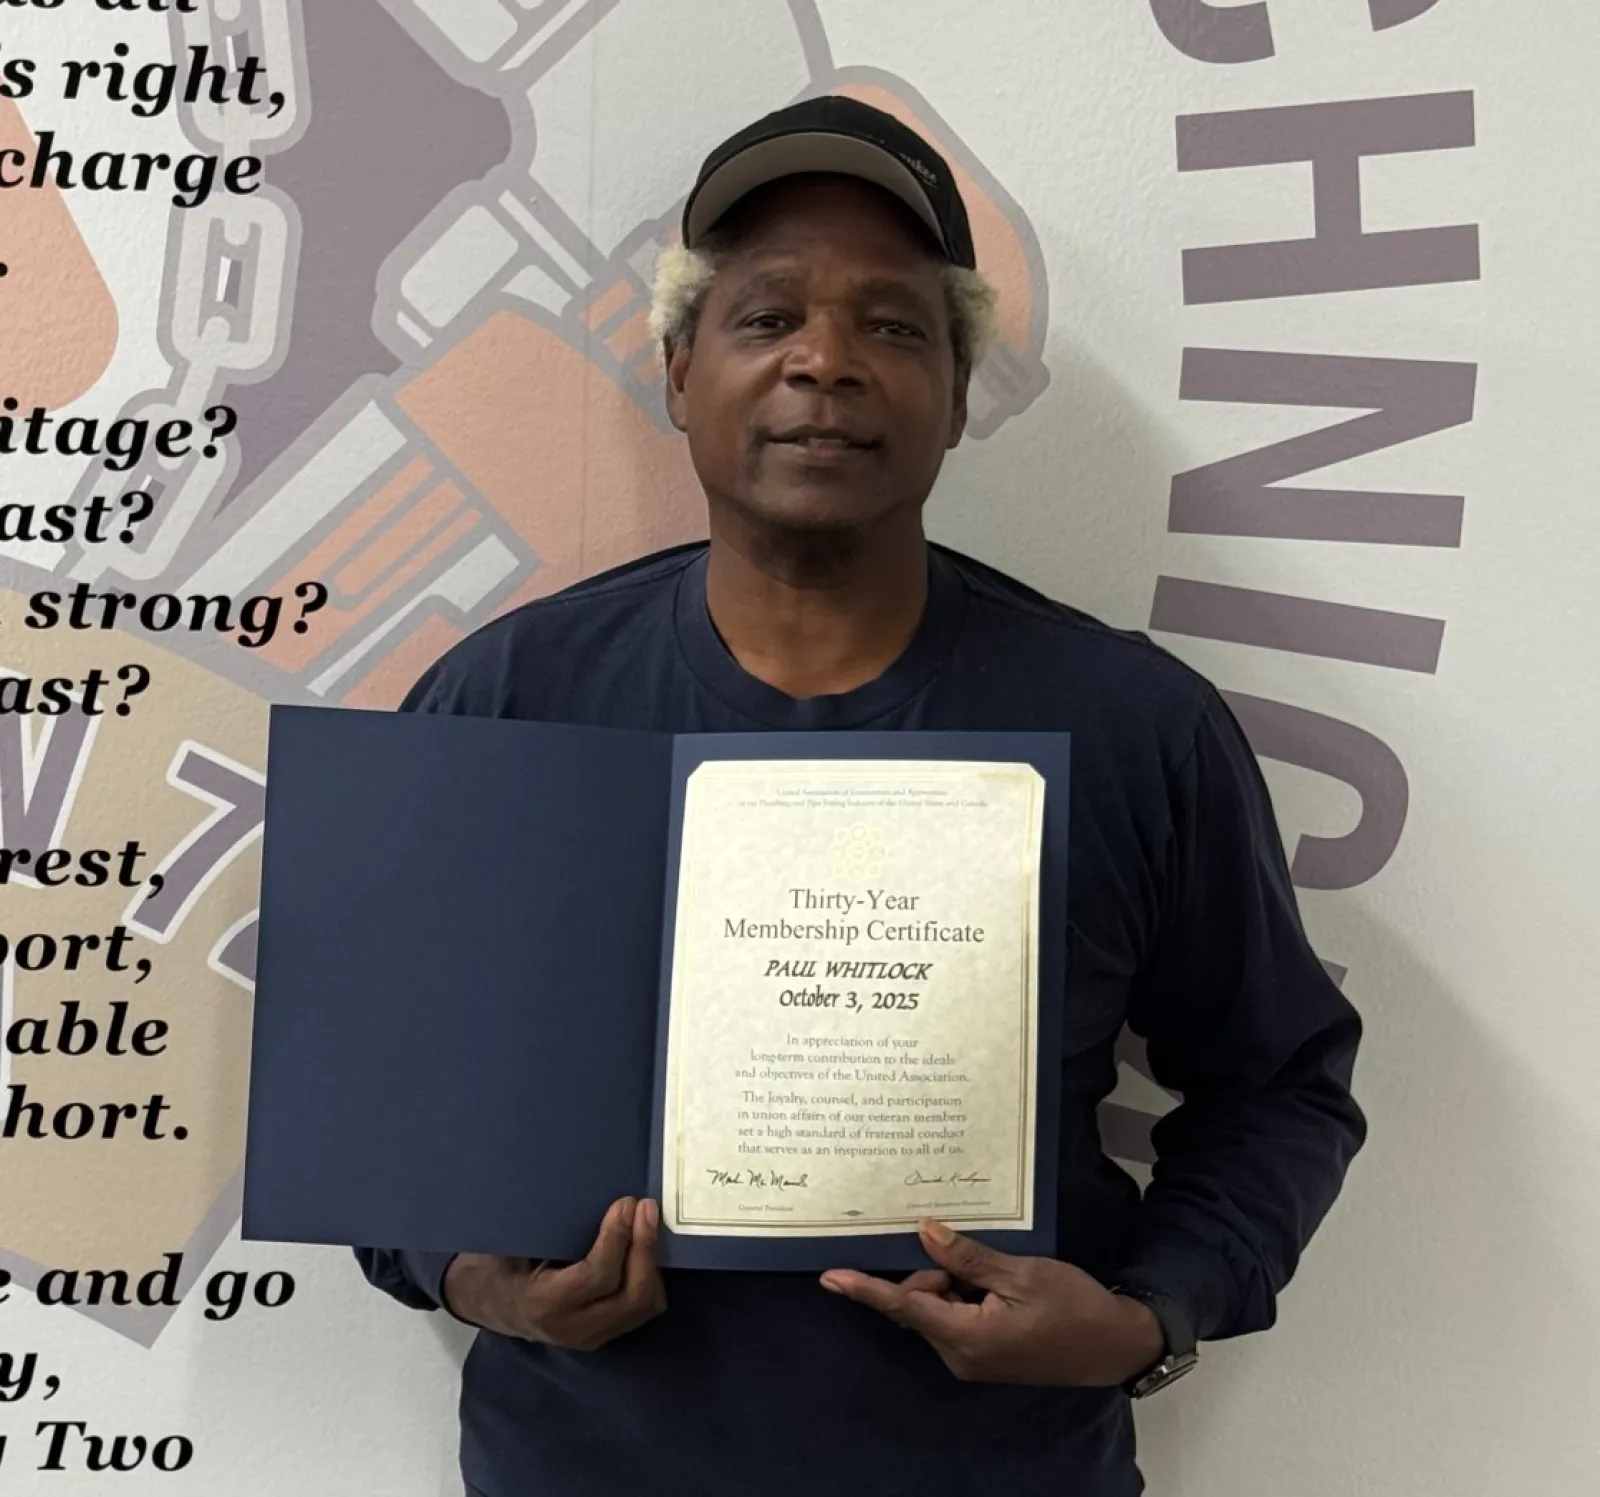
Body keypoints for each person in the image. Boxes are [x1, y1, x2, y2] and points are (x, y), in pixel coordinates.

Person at [356, 96, 1366, 1497]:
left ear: (958, 393)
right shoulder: (509, 702)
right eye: (767, 318)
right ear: (674, 371)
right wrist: (474, 1280)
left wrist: (1149, 1317)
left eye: (894, 327)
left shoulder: (1135, 726)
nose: (824, 361)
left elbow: (1279, 1085)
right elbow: (378, 1090)